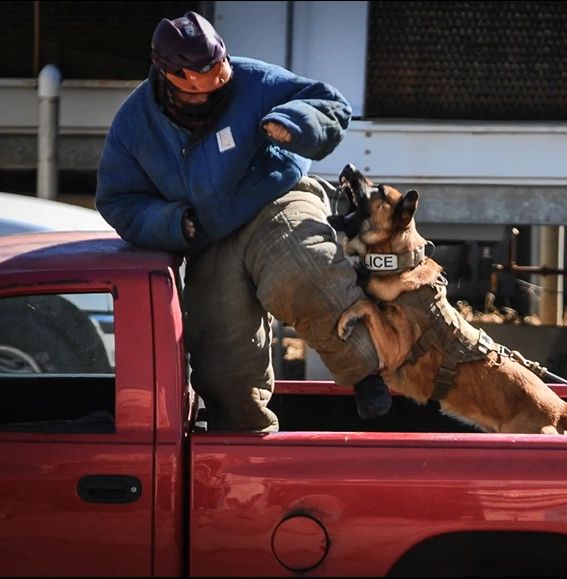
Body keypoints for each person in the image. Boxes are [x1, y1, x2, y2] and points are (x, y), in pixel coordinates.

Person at [95, 11, 391, 431]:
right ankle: (240, 435)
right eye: (196, 96)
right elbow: (118, 200)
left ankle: (365, 374)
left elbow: (329, 104)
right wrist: (171, 222)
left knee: (304, 272)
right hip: (207, 234)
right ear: (167, 80)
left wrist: (295, 123)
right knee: (220, 352)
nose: (208, 100)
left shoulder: (255, 80)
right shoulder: (133, 124)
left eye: (217, 90)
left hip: (275, 199)